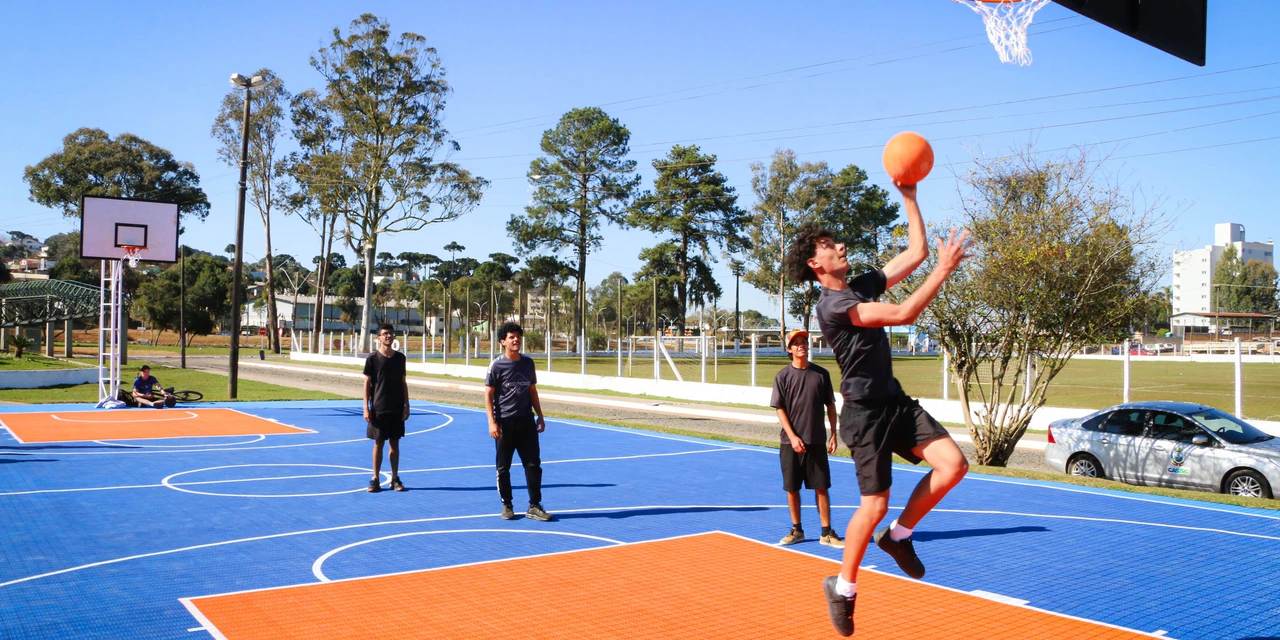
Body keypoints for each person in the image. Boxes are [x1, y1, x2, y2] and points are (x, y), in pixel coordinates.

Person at [786, 183, 971, 637]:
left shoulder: (859, 285)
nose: (840, 246)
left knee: (954, 465)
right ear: (816, 263)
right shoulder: (834, 305)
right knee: (874, 504)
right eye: (830, 246)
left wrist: (909, 192)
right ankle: (843, 588)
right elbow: (906, 312)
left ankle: (899, 536)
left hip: (895, 402)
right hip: (864, 415)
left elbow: (916, 252)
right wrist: (945, 272)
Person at [770, 329, 843, 549]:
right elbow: (780, 409)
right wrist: (792, 437)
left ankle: (826, 532)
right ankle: (797, 529)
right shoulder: (782, 377)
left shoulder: (821, 374)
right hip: (789, 443)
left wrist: (833, 435)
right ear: (789, 349)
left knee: (821, 487)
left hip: (816, 441)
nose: (801, 345)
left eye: (804, 341)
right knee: (792, 488)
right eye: (796, 343)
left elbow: (830, 405)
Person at [485, 321, 552, 522]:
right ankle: (507, 504)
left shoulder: (528, 363)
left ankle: (534, 505)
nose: (516, 340)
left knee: (533, 465)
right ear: (503, 342)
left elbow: (532, 391)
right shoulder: (496, 365)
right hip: (505, 423)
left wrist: (540, 415)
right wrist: (492, 422)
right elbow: (488, 395)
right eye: (511, 337)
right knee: (503, 467)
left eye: (518, 336)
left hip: (526, 422)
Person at [363, 324, 409, 493]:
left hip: (396, 408)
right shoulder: (372, 359)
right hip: (378, 408)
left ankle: (395, 478)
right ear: (379, 338)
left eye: (391, 333)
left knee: (394, 444)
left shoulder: (400, 358)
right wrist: (366, 407)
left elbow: (403, 383)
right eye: (385, 334)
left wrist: (407, 405)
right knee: (378, 443)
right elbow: (367, 383)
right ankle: (375, 478)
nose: (388, 336)